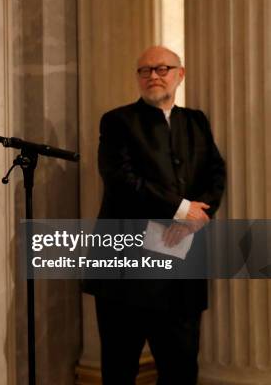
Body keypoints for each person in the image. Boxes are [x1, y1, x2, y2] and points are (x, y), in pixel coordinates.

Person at [85, 46, 226, 384]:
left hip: (182, 271)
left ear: (180, 74)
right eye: (145, 70)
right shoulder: (117, 121)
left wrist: (193, 220)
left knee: (181, 369)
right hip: (124, 272)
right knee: (120, 370)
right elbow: (121, 180)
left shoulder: (196, 121)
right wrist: (180, 210)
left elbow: (215, 175)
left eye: (162, 69)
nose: (153, 76)